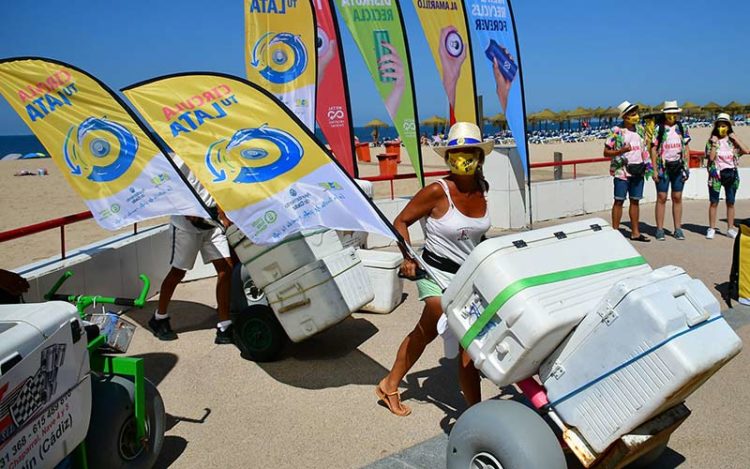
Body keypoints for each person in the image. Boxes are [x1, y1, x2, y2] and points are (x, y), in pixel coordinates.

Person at [376, 122, 492, 416]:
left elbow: (476, 235)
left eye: (469, 151)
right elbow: (400, 221)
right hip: (434, 273)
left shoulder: (481, 189)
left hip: (467, 276)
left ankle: (389, 384)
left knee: (429, 334)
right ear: (447, 157)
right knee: (463, 334)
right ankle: (475, 415)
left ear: (479, 155)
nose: (462, 157)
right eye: (456, 152)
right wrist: (408, 257)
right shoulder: (437, 191)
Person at [148, 155, 234, 344]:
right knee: (178, 273)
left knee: (225, 269)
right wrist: (186, 209)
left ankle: (224, 324)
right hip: (186, 227)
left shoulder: (208, 151)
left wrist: (222, 211)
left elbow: (218, 183)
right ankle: (159, 318)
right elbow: (168, 189)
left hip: (212, 224)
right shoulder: (176, 160)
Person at [603, 101, 651, 242]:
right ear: (625, 117)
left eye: (636, 113)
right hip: (621, 172)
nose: (636, 116)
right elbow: (606, 152)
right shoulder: (616, 131)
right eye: (632, 114)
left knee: (635, 201)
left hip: (638, 171)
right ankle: (615, 232)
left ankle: (635, 232)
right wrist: (621, 151)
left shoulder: (641, 130)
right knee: (619, 201)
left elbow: (645, 149)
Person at [705, 113, 750, 239]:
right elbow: (711, 158)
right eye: (720, 126)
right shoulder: (711, 142)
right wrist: (714, 144)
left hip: (731, 174)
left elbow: (746, 151)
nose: (722, 128)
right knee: (714, 202)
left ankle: (730, 228)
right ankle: (712, 228)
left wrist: (736, 139)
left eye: (724, 125)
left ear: (729, 127)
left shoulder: (732, 142)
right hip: (716, 176)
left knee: (730, 202)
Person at [651, 100, 691, 240]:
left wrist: (687, 167)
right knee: (661, 197)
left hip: (679, 167)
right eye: (669, 113)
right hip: (663, 167)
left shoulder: (682, 127)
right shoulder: (659, 128)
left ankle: (678, 229)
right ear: (665, 114)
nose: (672, 115)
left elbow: (686, 147)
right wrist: (654, 170)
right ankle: (660, 229)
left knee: (677, 197)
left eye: (674, 113)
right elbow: (654, 148)